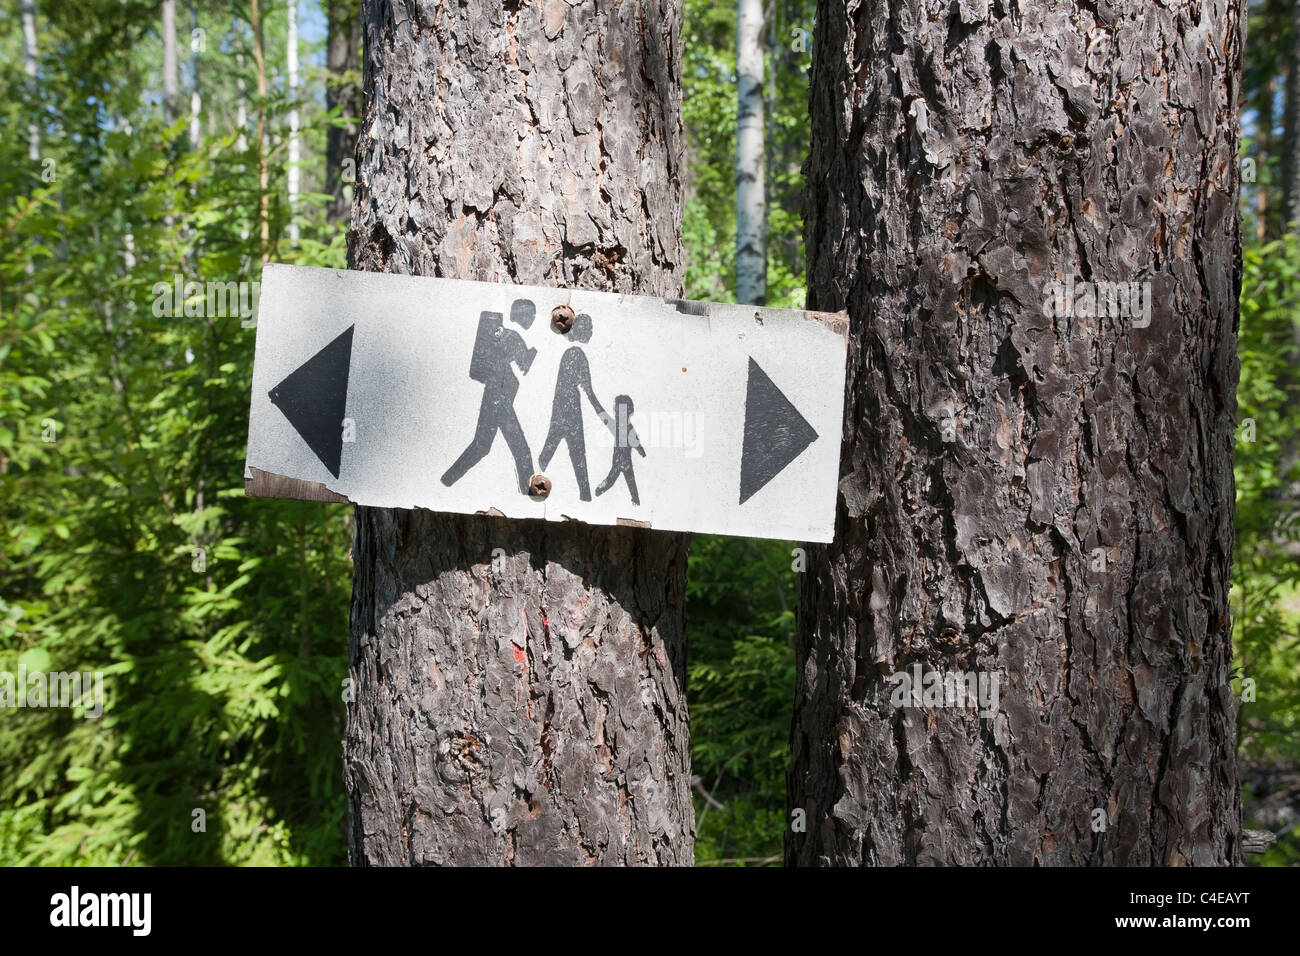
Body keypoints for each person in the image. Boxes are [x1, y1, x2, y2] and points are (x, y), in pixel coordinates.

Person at [441, 307, 537, 494]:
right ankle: (529, 494)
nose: (498, 332)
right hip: (498, 398)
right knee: (519, 449)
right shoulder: (502, 341)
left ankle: (446, 481)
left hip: (497, 396)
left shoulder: (505, 341)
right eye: (495, 330)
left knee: (482, 446)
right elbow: (521, 363)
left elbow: (519, 363)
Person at [539, 313, 605, 500]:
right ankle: (585, 495)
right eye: (589, 328)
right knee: (576, 453)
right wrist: (602, 414)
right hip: (569, 408)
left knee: (553, 451)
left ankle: (585, 495)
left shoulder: (571, 353)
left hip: (561, 405)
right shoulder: (576, 354)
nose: (591, 332)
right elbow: (589, 391)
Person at [595, 394, 645, 506]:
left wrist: (642, 451)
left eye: (617, 411)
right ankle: (635, 501)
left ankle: (600, 490)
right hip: (626, 461)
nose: (616, 413)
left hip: (619, 462)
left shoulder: (618, 426)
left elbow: (601, 413)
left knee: (613, 480)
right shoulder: (627, 427)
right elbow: (636, 442)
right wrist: (642, 452)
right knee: (630, 483)